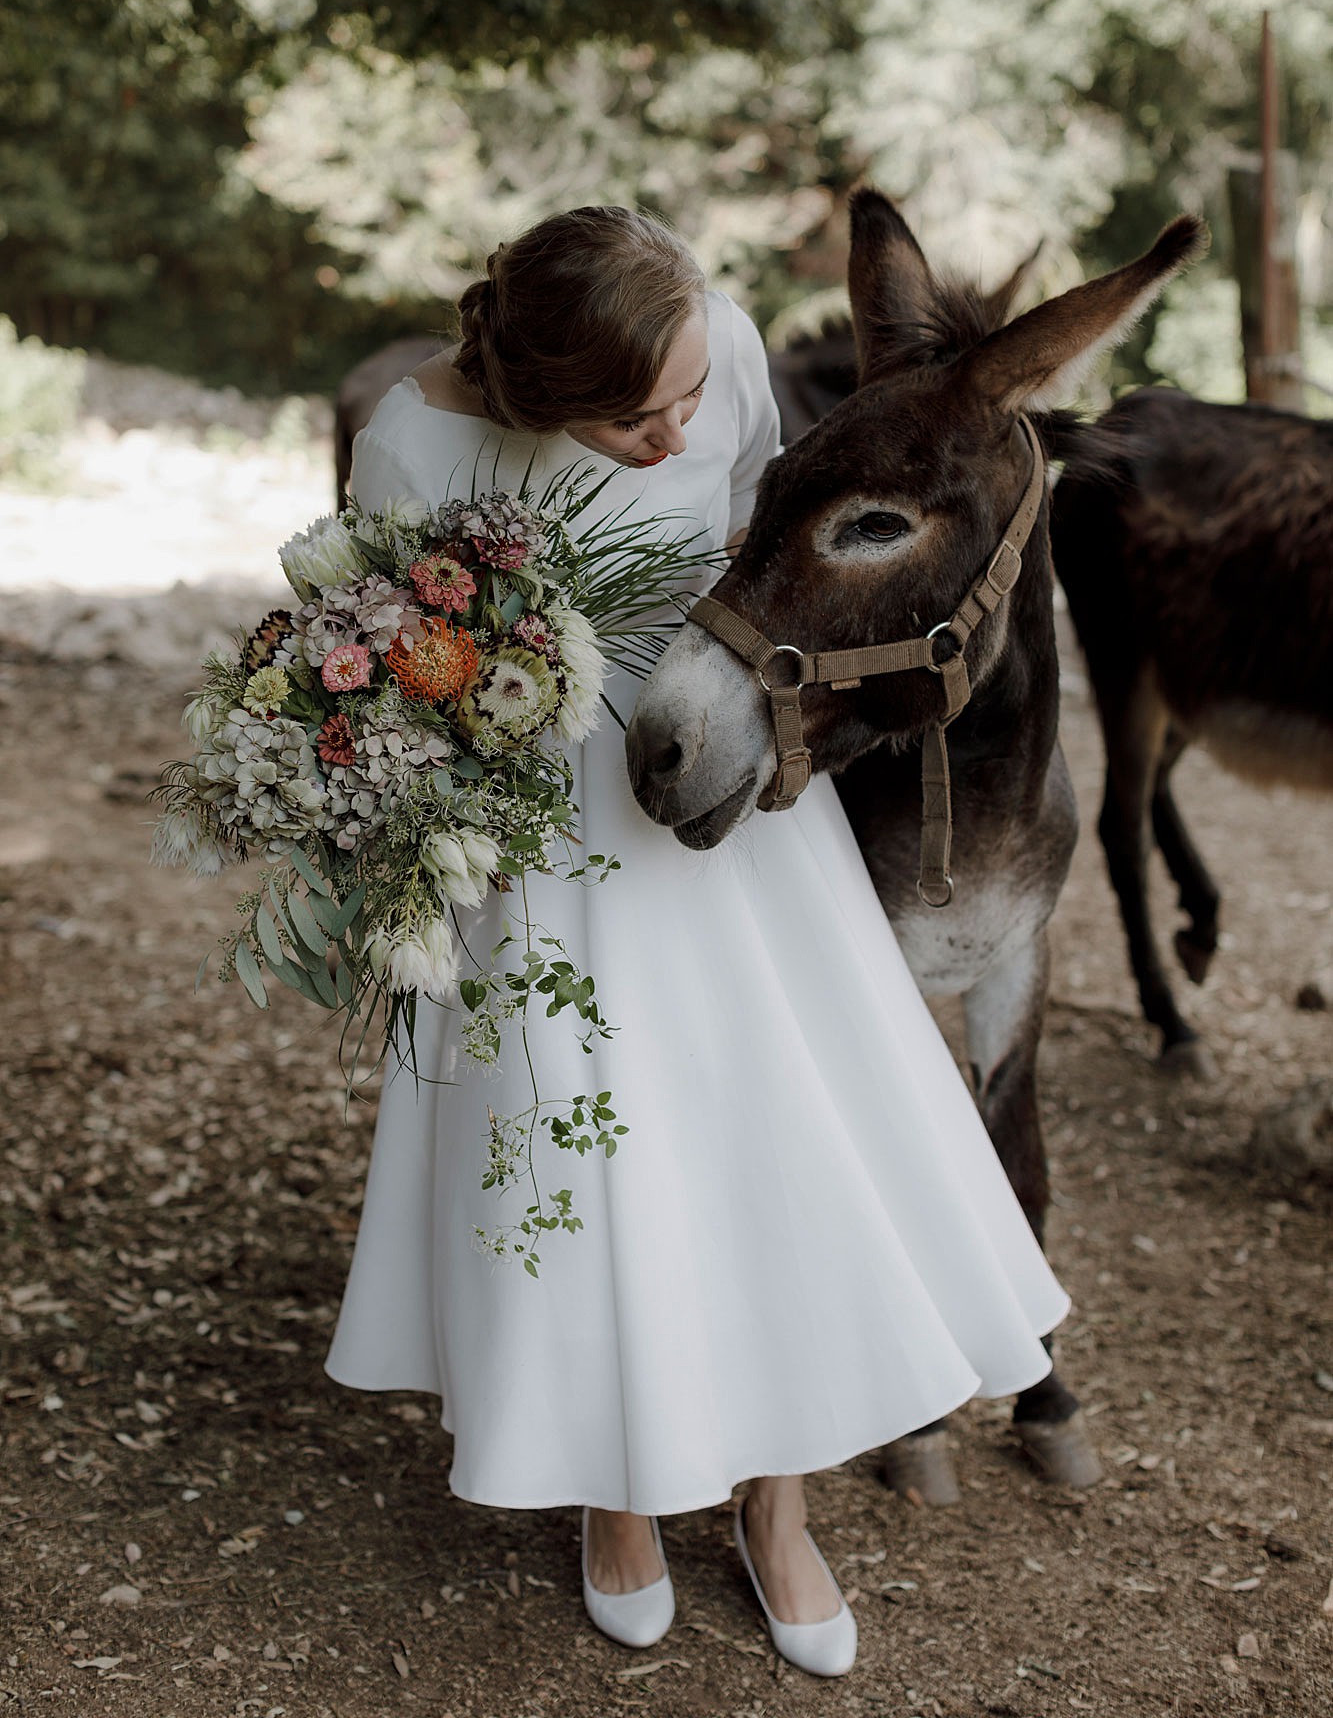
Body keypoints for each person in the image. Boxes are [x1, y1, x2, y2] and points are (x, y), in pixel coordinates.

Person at [325, 205, 1067, 1679]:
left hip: (728, 803)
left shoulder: (716, 341)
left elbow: (759, 546)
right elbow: (395, 676)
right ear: (536, 398)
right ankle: (624, 1494)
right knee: (600, 1171)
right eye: (627, 418)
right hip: (543, 842)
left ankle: (777, 1506)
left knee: (771, 1142)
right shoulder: (410, 442)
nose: (675, 430)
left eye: (682, 399)